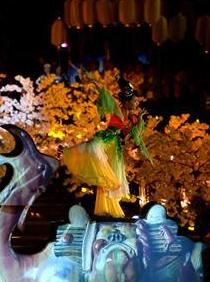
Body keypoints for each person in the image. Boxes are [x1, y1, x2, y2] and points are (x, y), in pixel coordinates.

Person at [62, 77, 152, 218]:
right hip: (105, 140)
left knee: (112, 175)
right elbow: (107, 96)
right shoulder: (118, 109)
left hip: (114, 146)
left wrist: (140, 119)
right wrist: (97, 84)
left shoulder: (132, 117)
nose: (137, 103)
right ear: (127, 101)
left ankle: (111, 207)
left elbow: (133, 134)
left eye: (137, 101)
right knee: (104, 173)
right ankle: (69, 152)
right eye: (135, 101)